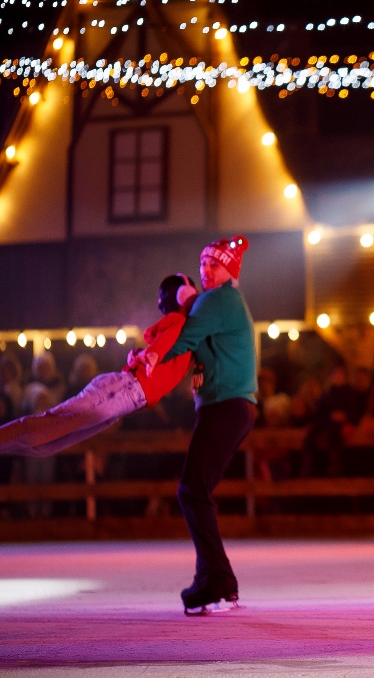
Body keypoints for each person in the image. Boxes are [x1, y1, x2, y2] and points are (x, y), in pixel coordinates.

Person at [142, 236, 258, 615]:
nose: (206, 270)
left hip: (225, 405)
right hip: (230, 406)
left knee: (192, 491)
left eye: (215, 264)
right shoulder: (221, 302)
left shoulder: (219, 299)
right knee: (197, 491)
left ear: (230, 271)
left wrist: (149, 355)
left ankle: (217, 580)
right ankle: (214, 579)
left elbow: (183, 338)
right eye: (203, 264)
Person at [0, 275, 196, 458]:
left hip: (126, 396)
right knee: (45, 429)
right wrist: (152, 354)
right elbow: (164, 339)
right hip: (124, 390)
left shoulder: (189, 336)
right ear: (185, 296)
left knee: (45, 446)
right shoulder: (179, 321)